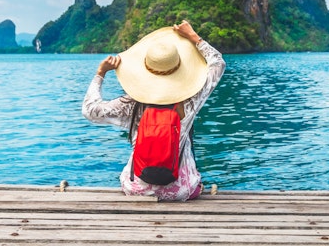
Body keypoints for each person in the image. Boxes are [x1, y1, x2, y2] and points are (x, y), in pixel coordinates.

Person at [82, 20, 226, 201]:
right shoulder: (189, 101)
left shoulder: (131, 104)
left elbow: (90, 110)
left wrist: (101, 73)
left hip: (136, 188)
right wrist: (193, 37)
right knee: (195, 182)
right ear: (179, 68)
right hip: (178, 191)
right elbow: (218, 63)